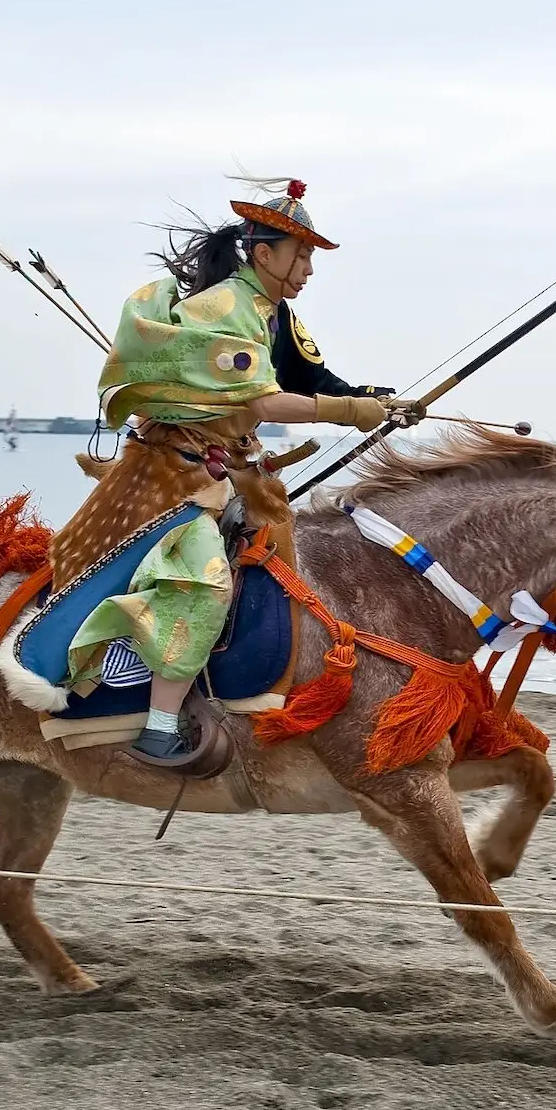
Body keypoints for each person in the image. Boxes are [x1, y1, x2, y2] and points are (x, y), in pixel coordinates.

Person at [73, 179, 418, 771]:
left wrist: (377, 402)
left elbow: (313, 381)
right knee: (205, 583)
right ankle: (155, 724)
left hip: (225, 470)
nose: (309, 268)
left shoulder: (276, 313)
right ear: (265, 253)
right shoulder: (222, 310)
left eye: (310, 256)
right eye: (301, 254)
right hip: (171, 476)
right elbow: (262, 402)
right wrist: (348, 413)